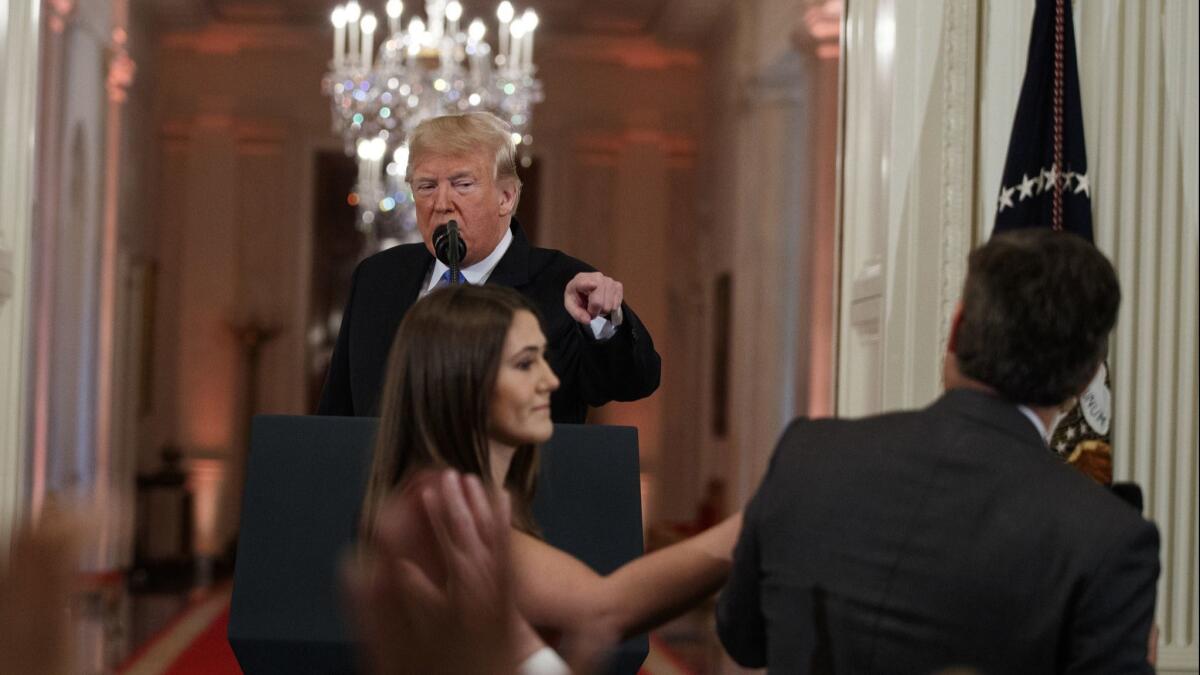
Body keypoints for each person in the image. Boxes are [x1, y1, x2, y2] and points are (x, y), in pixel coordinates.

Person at [717, 229, 1160, 673]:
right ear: (1086, 378)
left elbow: (743, 639)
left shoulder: (807, 455)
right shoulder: (1107, 540)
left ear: (956, 330)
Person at [357, 284, 739, 667]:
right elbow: (605, 609)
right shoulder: (449, 515)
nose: (551, 381)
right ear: (463, 380)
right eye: (525, 364)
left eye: (544, 358)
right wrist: (757, 518)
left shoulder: (463, 505)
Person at [317, 112, 660, 423]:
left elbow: (633, 381)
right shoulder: (378, 277)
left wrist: (603, 321)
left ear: (506, 197)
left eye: (462, 184)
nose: (441, 203)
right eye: (426, 186)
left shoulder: (564, 285)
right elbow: (338, 412)